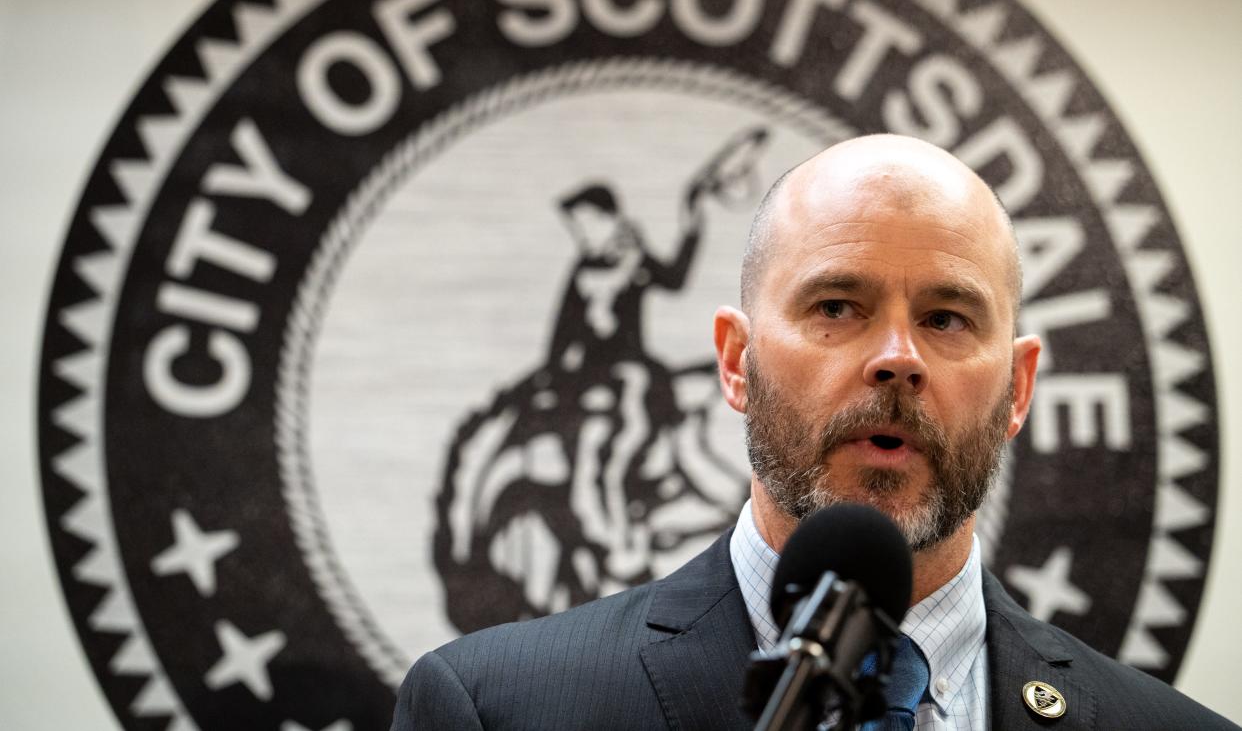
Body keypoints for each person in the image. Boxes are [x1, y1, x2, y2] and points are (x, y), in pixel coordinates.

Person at [392, 135, 1235, 730]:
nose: (897, 360)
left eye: (946, 318)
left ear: (1017, 389)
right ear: (735, 362)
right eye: (838, 307)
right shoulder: (498, 710)